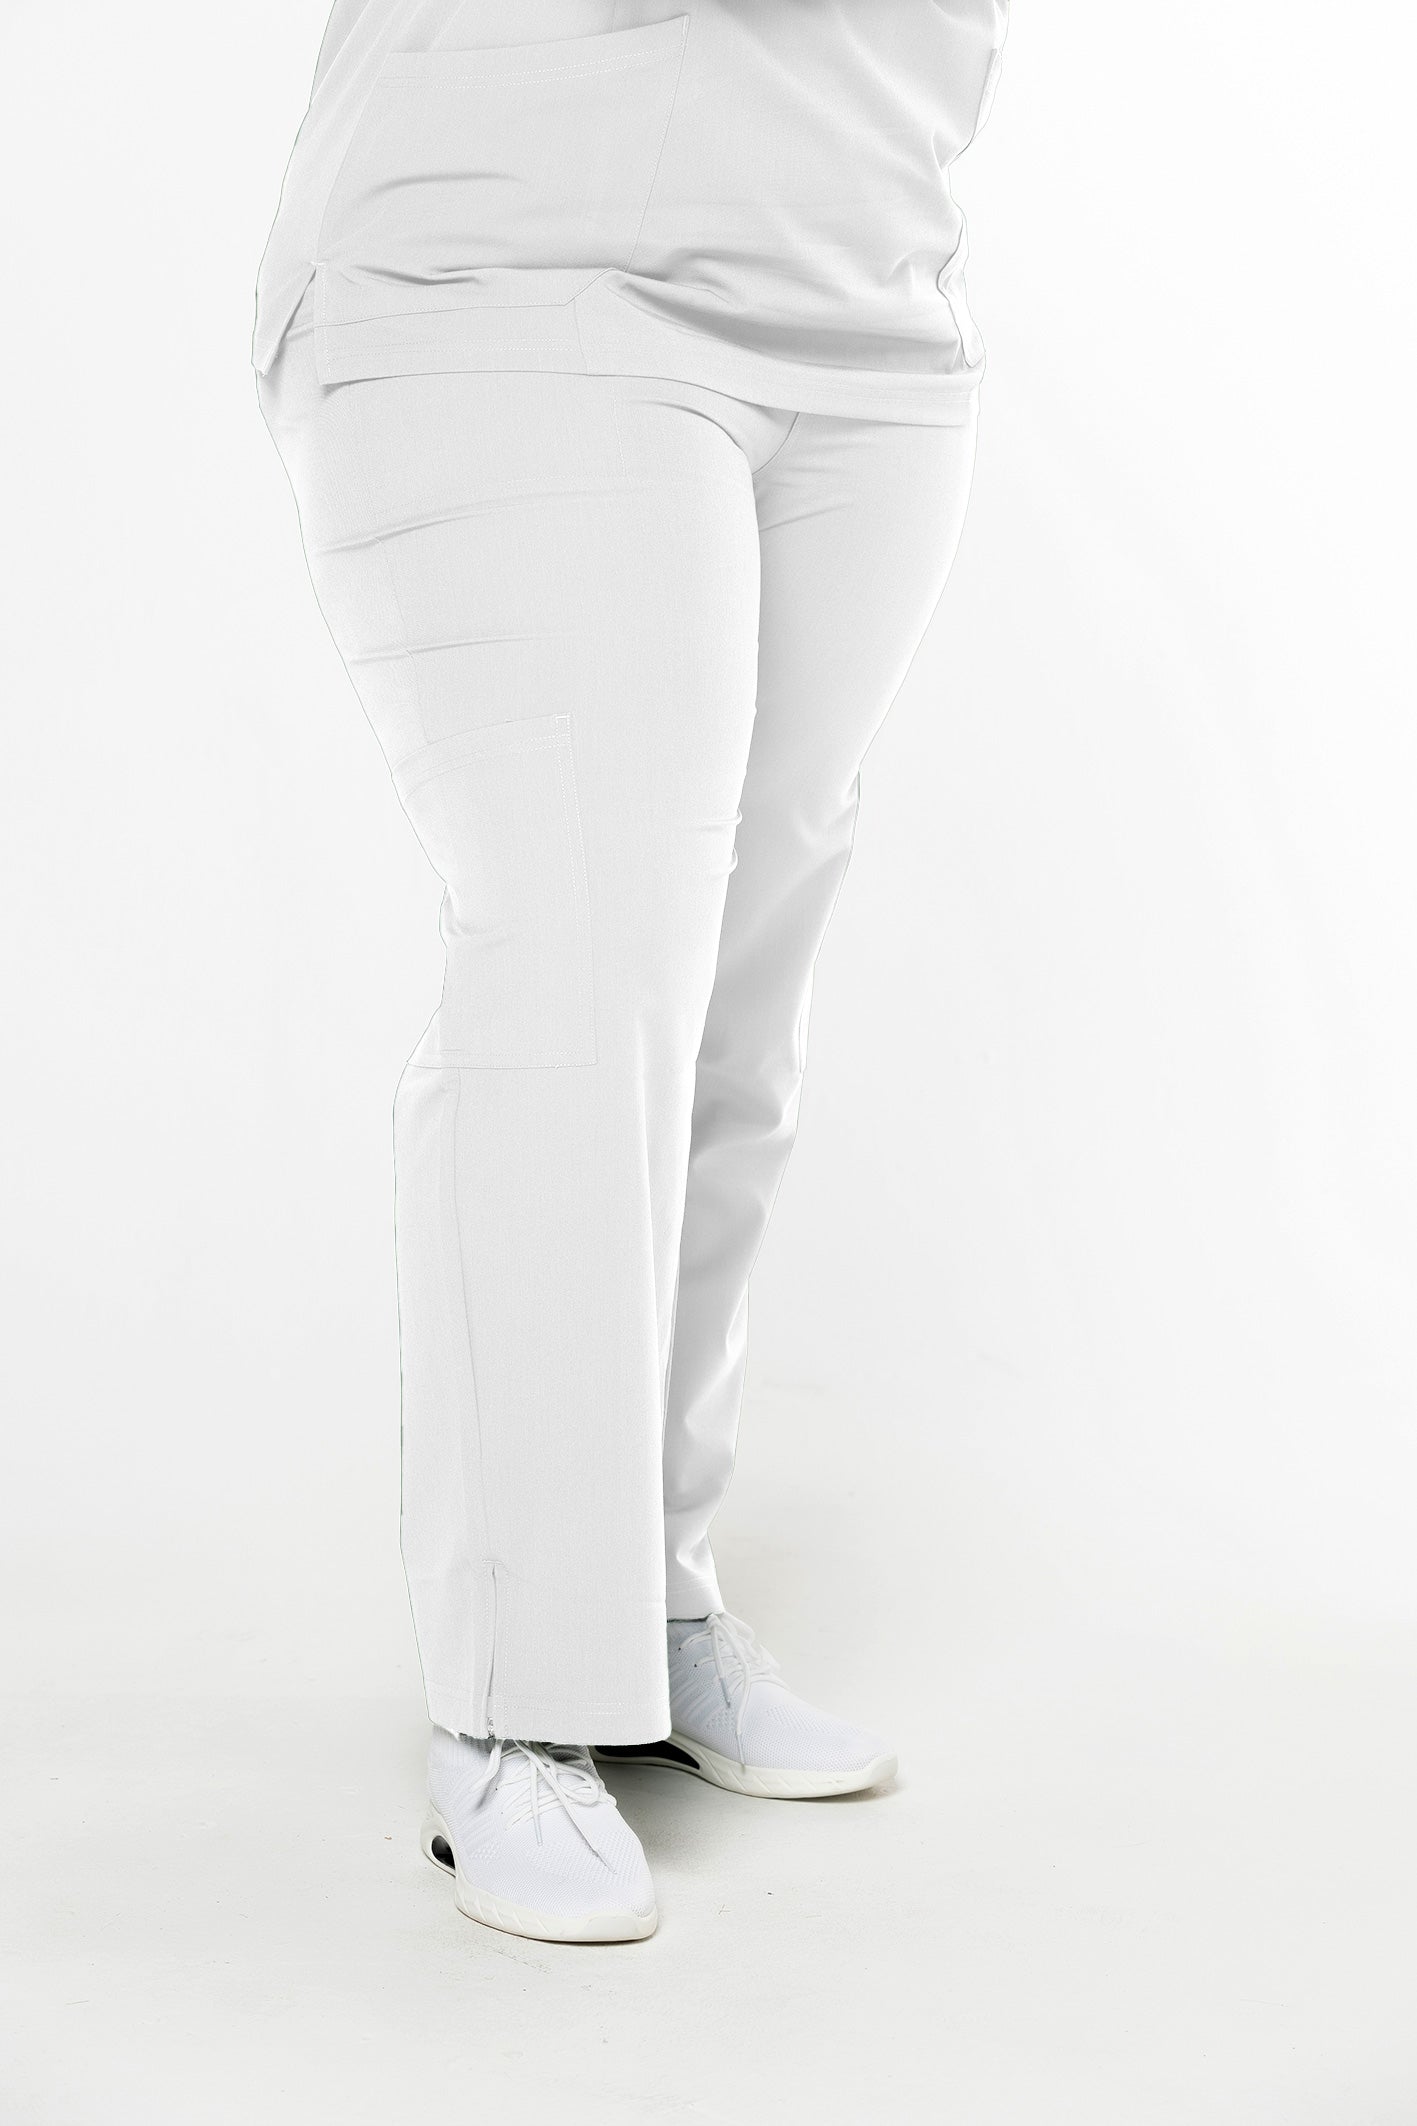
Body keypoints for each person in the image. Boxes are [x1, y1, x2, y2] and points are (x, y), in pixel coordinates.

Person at [252, 0, 1009, 1944]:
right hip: (513, 259)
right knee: (585, 964)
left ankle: (647, 1594)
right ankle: (515, 1688)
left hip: (863, 277)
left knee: (734, 1003)